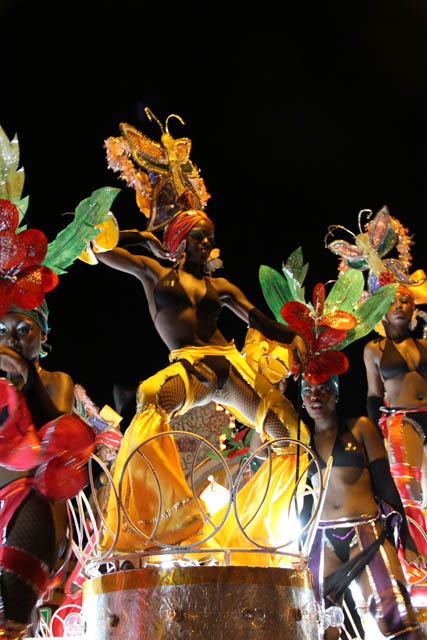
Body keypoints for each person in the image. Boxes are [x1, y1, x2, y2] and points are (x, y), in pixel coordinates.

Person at [97, 209, 309, 552]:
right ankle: (171, 517)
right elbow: (100, 249)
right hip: (189, 369)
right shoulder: (155, 273)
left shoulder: (220, 287)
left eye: (209, 235)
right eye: (198, 235)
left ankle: (260, 534)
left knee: (291, 435)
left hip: (228, 367)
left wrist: (293, 337)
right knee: (150, 396)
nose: (206, 242)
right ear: (180, 239)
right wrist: (141, 237)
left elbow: (259, 321)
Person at [303, 376, 423, 639]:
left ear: (336, 396)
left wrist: (406, 539)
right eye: (308, 390)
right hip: (322, 538)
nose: (315, 396)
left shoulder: (360, 428)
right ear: (301, 399)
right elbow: (262, 452)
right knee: (320, 625)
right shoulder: (300, 438)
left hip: (365, 530)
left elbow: (385, 484)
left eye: (324, 389)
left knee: (394, 613)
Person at [364, 286, 427, 558]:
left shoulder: (425, 344)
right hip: (400, 419)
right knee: (408, 489)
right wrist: (373, 441)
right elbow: (373, 395)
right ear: (383, 312)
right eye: (393, 302)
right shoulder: (374, 349)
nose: (399, 305)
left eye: (405, 300)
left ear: (414, 309)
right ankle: (416, 563)